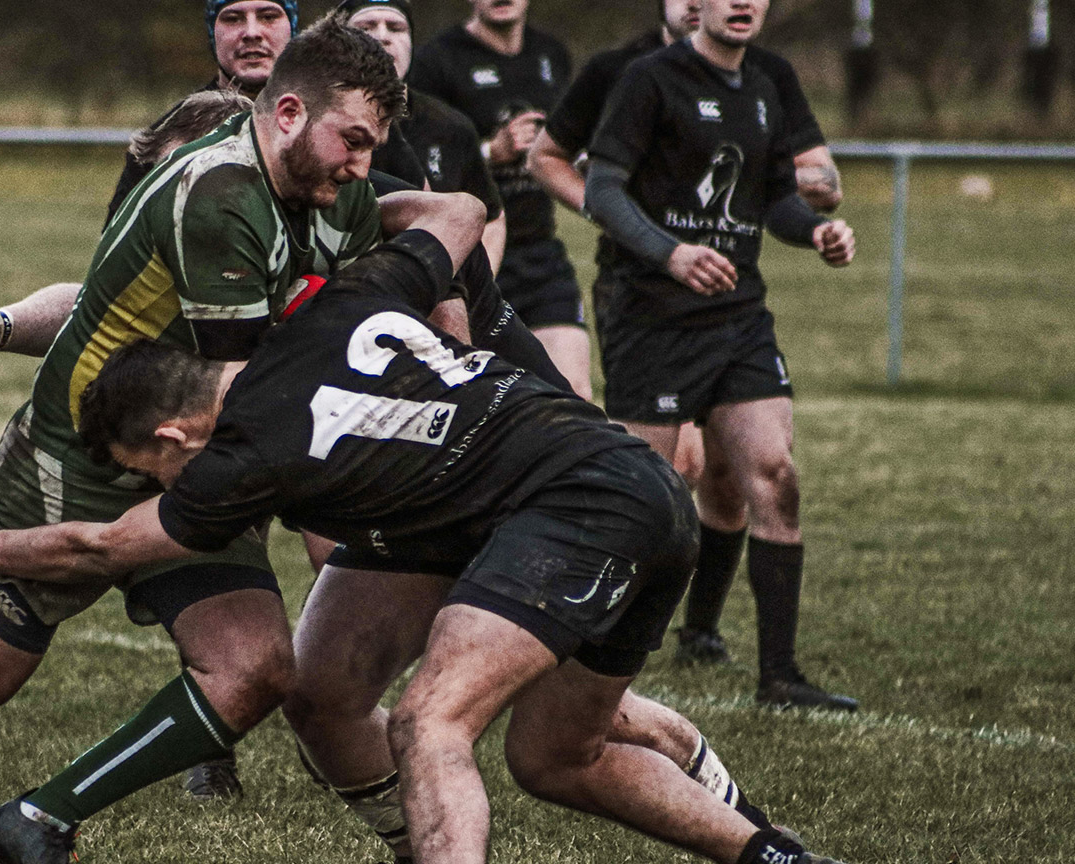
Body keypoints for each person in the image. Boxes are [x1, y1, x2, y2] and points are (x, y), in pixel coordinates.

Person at [0, 212, 848, 864]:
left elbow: (107, 549)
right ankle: (775, 859)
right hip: (579, 490)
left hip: (581, 502)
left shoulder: (239, 454)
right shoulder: (342, 299)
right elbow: (457, 210)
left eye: (150, 470)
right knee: (537, 754)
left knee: (429, 722)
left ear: (174, 438)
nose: (157, 486)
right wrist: (419, 285)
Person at [0, 20, 407, 864]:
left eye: (372, 147)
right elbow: (248, 400)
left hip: (200, 451)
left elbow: (296, 359)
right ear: (287, 114)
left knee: (255, 668)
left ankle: (39, 820)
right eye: (351, 141)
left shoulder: (333, 192)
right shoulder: (218, 194)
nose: (360, 166)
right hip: (81, 458)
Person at [527, 0, 846, 673]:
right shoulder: (647, 78)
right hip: (652, 315)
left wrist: (814, 231)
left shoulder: (765, 83)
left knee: (774, 474)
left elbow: (774, 198)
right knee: (647, 494)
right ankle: (591, 650)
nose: (738, 3)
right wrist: (669, 252)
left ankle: (780, 676)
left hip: (738, 314)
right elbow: (605, 192)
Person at [408, 0, 593, 400]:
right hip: (472, 257)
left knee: (572, 393)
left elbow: (565, 144)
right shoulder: (437, 61)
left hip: (540, 254)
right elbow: (422, 158)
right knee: (477, 399)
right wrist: (494, 150)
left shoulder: (552, 55)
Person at [107, 0, 426, 230]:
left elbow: (418, 209)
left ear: (294, 28)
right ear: (212, 32)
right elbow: (120, 236)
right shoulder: (180, 127)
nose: (251, 32)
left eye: (268, 16)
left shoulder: (349, 118)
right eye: (233, 18)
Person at [340, 0, 508, 275]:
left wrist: (478, 290)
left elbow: (492, 218)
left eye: (396, 27)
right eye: (366, 27)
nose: (383, 37)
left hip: (435, 287)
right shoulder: (321, 126)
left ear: (411, 44)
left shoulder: (450, 125)